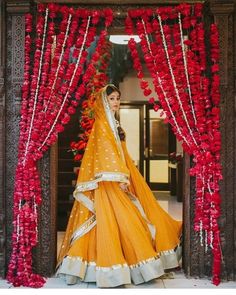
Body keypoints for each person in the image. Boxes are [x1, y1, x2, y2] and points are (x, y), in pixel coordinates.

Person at [56, 84, 182, 288]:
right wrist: (121, 178)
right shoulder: (102, 125)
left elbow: (118, 153)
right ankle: (112, 269)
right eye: (112, 98)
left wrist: (126, 176)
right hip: (109, 183)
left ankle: (130, 265)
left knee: (131, 218)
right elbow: (106, 154)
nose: (116, 102)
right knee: (119, 221)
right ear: (104, 101)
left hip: (119, 177)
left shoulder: (113, 124)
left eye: (117, 98)